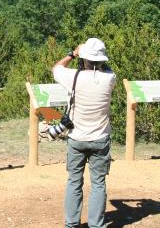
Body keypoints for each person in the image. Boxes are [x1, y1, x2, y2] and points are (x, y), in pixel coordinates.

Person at [52, 37, 116, 228]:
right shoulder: (109, 78)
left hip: (76, 138)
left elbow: (56, 68)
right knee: (98, 184)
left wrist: (73, 53)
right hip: (100, 138)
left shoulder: (73, 76)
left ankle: (72, 224)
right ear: (102, 59)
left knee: (74, 181)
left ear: (85, 58)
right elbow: (107, 68)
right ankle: (96, 225)